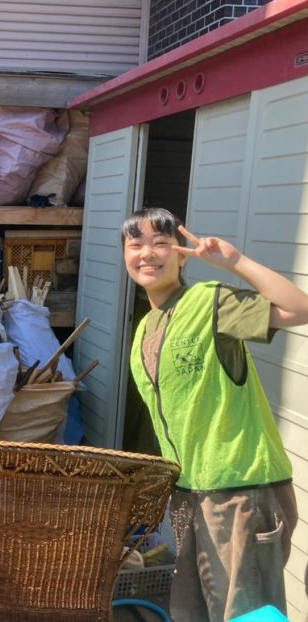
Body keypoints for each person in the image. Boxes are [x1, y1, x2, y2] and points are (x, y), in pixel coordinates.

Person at [121, 207, 306, 622]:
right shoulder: (146, 329)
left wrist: (235, 262)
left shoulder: (210, 303)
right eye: (136, 244)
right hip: (190, 495)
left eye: (161, 243)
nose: (147, 253)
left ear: (181, 256)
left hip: (241, 492)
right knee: (190, 611)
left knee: (245, 616)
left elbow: (300, 308)